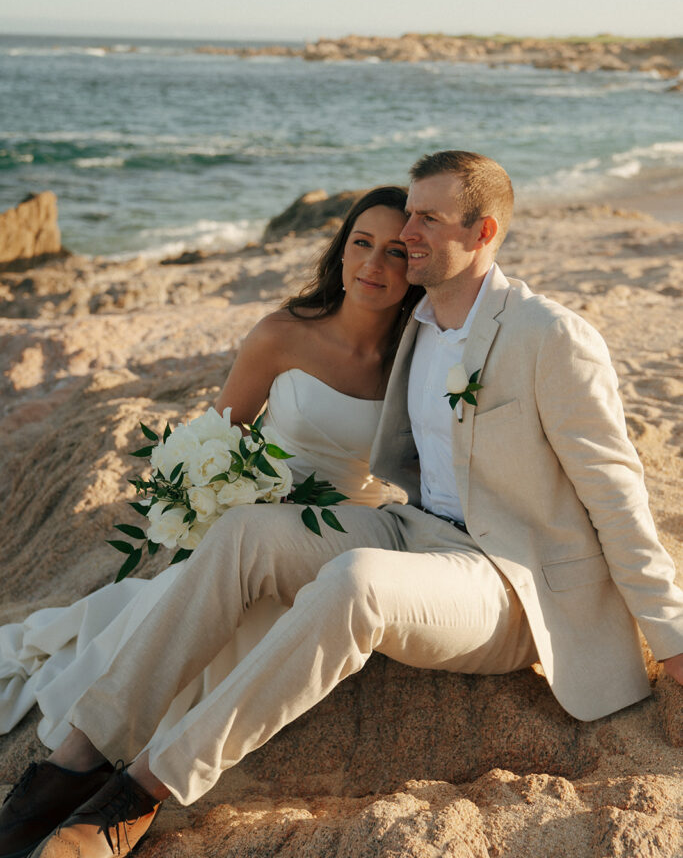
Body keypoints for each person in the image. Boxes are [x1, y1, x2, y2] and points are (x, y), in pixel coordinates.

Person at [3, 152, 682, 858]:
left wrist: (671, 638)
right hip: (412, 529)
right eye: (406, 212)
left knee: (355, 581)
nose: (408, 229)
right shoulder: (412, 325)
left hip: (510, 578)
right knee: (244, 534)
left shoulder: (550, 336)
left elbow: (616, 492)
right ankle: (74, 761)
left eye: (426, 218)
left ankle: (139, 793)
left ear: (481, 233)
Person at [0, 185, 423, 858]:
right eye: (360, 244)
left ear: (420, 264)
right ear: (340, 251)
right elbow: (219, 436)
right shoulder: (284, 333)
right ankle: (80, 771)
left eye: (396, 252)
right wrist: (198, 503)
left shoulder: (418, 362)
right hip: (253, 526)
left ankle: (127, 791)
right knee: (184, 607)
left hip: (344, 540)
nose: (373, 265)